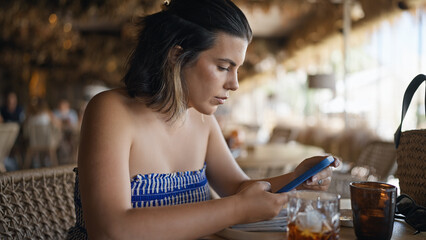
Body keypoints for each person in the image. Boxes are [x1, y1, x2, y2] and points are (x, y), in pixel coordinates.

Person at [68, 0, 340, 239]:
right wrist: (237, 209)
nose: (233, 84)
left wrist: (296, 178)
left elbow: (237, 188)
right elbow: (110, 230)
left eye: (236, 69)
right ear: (176, 56)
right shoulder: (110, 112)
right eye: (223, 67)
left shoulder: (202, 120)